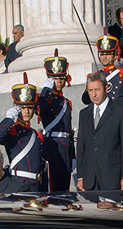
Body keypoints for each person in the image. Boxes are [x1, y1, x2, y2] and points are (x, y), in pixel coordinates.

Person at [76, 72, 123, 191]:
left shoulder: (121, 111)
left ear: (106, 88)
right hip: (90, 178)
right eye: (90, 90)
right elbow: (81, 147)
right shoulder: (84, 114)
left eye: (97, 89)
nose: (94, 94)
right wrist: (80, 176)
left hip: (113, 176)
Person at [0, 73, 43, 192]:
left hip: (36, 184)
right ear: (16, 108)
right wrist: (9, 118)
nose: (26, 111)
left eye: (30, 108)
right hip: (19, 183)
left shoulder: (35, 134)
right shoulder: (11, 130)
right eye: (22, 108)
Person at [38, 49, 74, 192]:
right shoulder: (45, 98)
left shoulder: (66, 102)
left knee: (64, 185)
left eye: (61, 78)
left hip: (66, 146)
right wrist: (46, 89)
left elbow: (69, 130)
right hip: (52, 146)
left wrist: (73, 154)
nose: (58, 82)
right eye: (55, 79)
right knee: (53, 187)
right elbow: (42, 108)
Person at [81, 33, 123, 117]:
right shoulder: (94, 76)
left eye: (108, 53)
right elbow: (85, 100)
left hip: (117, 118)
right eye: (102, 54)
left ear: (115, 55)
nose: (104, 57)